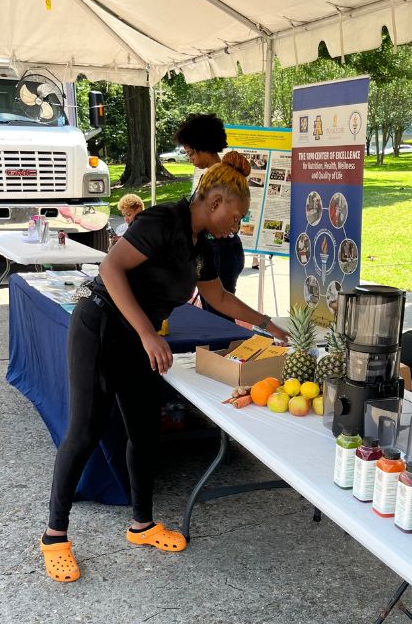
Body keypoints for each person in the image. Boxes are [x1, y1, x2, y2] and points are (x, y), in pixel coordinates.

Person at [40, 151, 288, 582]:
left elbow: (219, 298)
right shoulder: (161, 220)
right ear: (214, 203)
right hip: (100, 326)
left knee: (144, 431)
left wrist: (267, 324)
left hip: (139, 337)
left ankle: (142, 525)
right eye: (237, 214)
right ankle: (53, 536)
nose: (238, 223)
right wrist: (149, 334)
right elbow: (112, 269)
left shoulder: (202, 246)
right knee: (84, 432)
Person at [175, 113, 245, 321]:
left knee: (219, 314)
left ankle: (222, 352)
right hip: (221, 249)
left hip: (219, 251)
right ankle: (220, 351)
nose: (190, 159)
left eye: (190, 154)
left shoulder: (219, 177)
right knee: (217, 311)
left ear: (201, 146)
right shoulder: (217, 174)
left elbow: (224, 220)